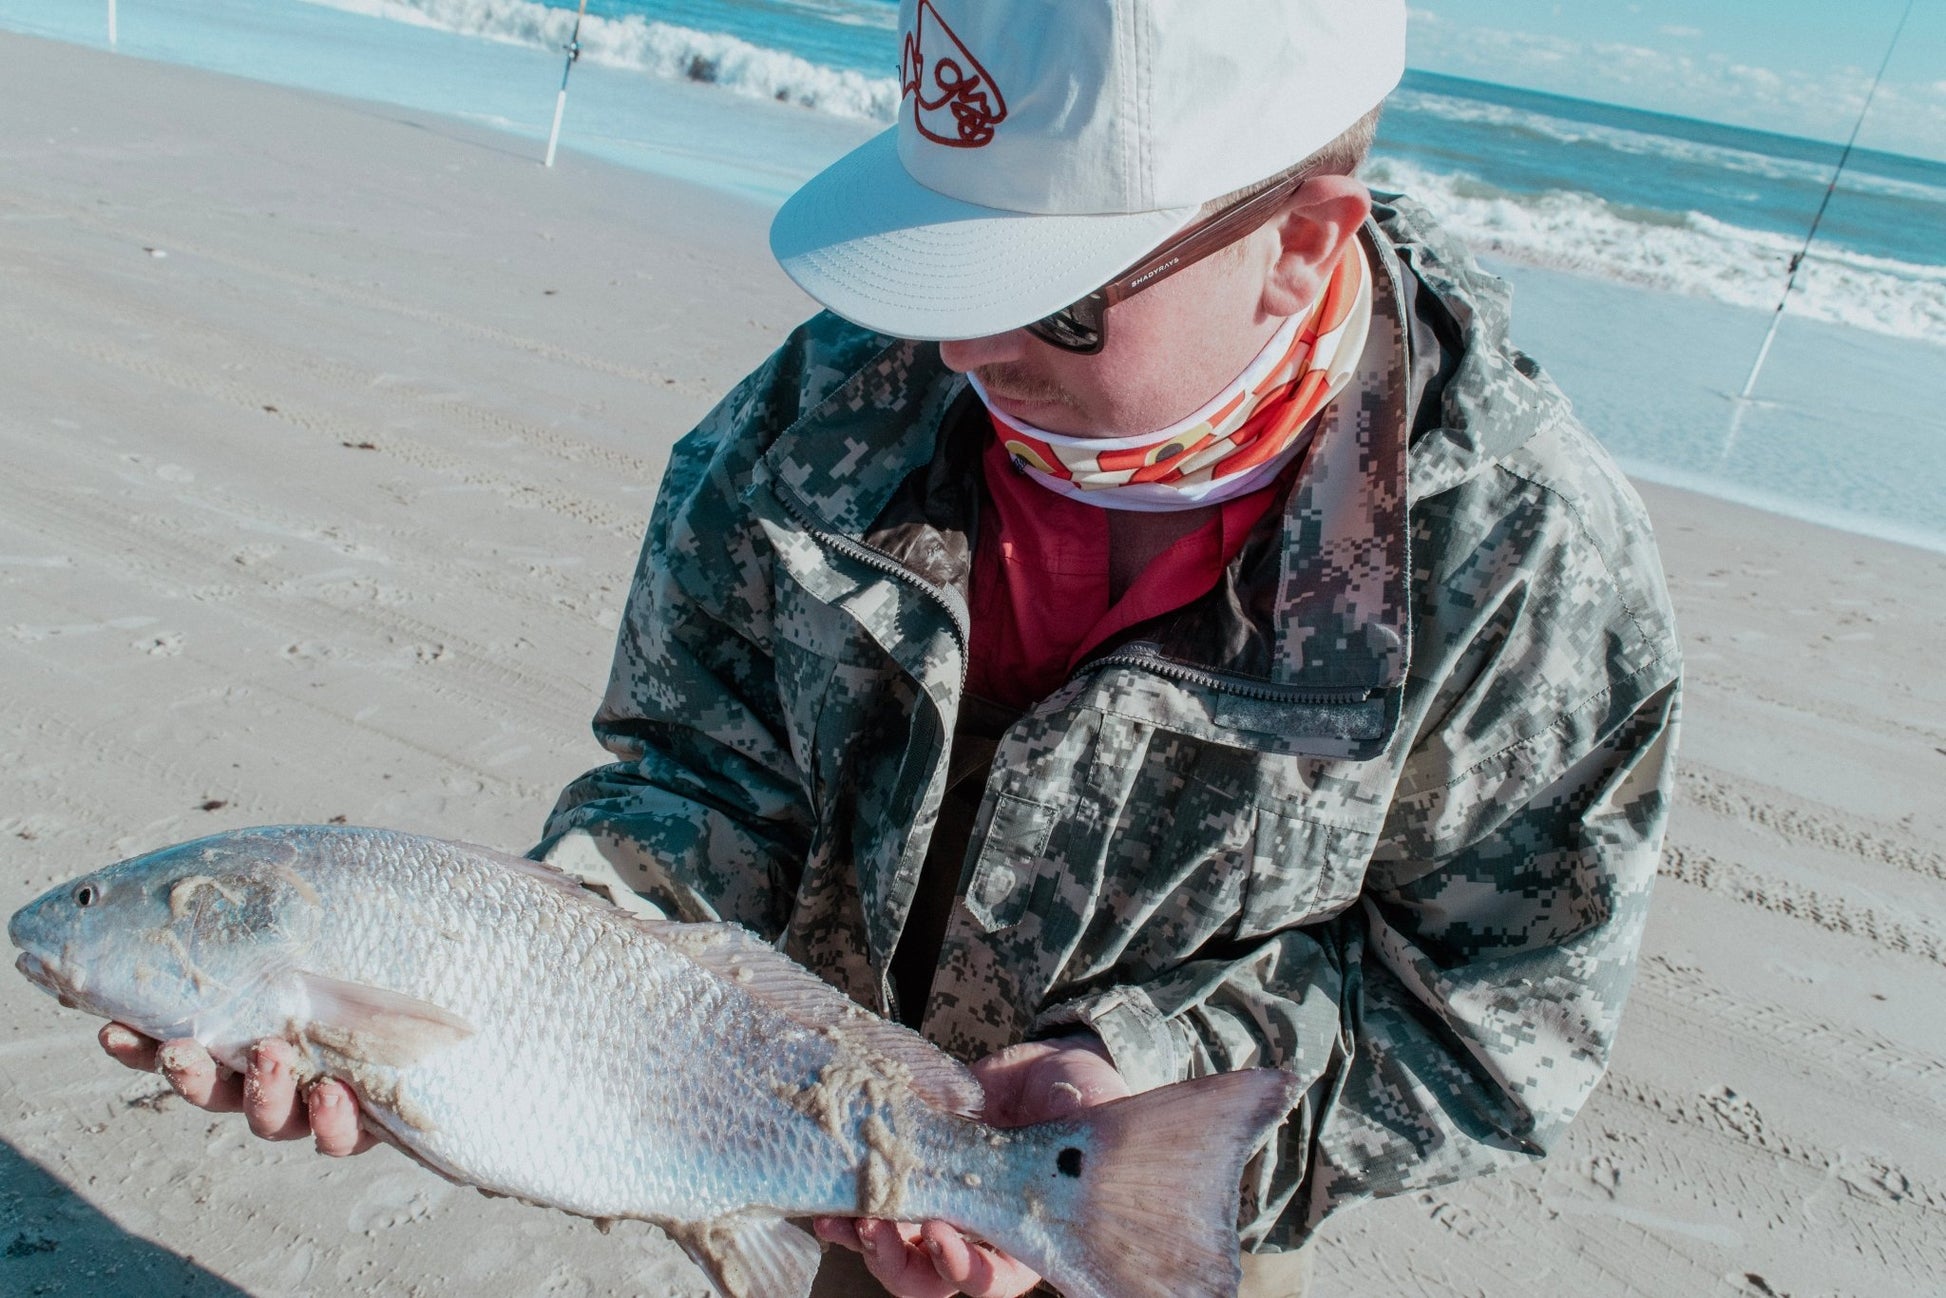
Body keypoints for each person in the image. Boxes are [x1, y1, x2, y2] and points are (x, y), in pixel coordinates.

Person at [103, 2, 1683, 1296]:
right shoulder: (831, 404)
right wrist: (523, 981)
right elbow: (696, 768)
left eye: (1054, 299)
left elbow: (1490, 1018)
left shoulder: (1522, 567)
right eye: (948, 257)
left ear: (1296, 241)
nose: (962, 347)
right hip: (793, 1140)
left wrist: (1130, 1080)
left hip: (1143, 1199)